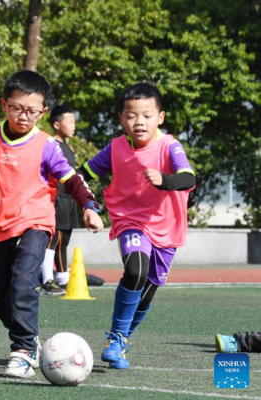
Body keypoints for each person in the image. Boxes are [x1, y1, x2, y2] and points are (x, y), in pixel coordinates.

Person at [0, 70, 104, 378]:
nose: (24, 116)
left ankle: (23, 351)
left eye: (32, 111)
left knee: (23, 283)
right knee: (1, 302)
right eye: (17, 108)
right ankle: (30, 339)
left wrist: (90, 206)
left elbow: (73, 180)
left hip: (36, 223)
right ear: (4, 105)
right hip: (0, 228)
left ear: (43, 112)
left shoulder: (47, 145)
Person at [76, 82, 196, 369]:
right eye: (131, 115)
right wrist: (85, 203)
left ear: (161, 117)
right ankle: (116, 337)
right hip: (130, 222)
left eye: (147, 115)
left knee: (148, 291)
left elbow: (188, 178)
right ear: (121, 119)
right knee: (135, 270)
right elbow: (82, 174)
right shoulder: (116, 147)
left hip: (167, 228)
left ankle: (122, 339)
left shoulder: (170, 145)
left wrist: (165, 180)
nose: (139, 122)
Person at [39, 105, 105, 295]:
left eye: (74, 122)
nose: (73, 126)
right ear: (57, 124)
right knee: (52, 241)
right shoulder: (50, 145)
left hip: (69, 202)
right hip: (56, 201)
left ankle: (61, 278)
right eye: (70, 122)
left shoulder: (69, 147)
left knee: (64, 241)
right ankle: (47, 281)